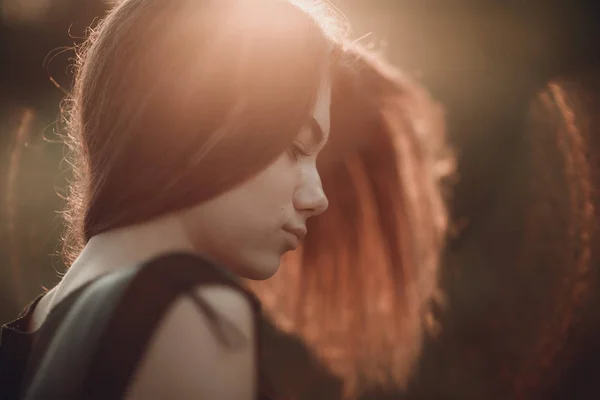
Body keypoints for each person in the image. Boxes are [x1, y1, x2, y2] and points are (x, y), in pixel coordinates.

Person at [0, 0, 451, 399]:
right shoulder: (191, 311)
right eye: (295, 148)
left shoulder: (18, 344)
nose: (318, 198)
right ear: (199, 118)